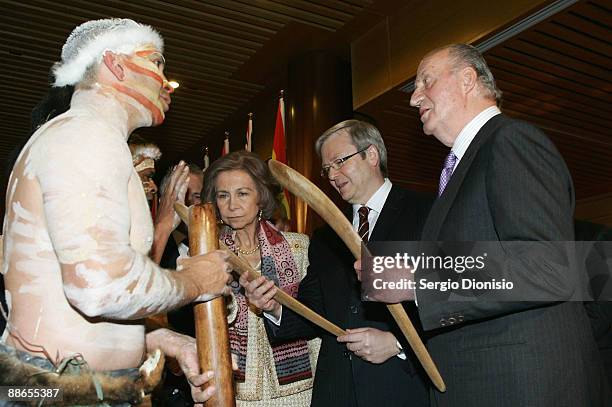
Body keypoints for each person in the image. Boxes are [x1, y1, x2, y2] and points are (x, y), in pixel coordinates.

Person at [1, 18, 233, 404]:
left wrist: (160, 338)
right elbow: (98, 285)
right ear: (116, 65)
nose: (164, 79)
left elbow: (67, 300)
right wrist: (196, 280)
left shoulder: (86, 135)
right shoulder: (85, 135)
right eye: (156, 62)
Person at [375, 43, 608, 406]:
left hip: (522, 386)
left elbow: (548, 266)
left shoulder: (510, 141)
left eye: (425, 81)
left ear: (468, 79)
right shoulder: (461, 167)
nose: (413, 98)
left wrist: (418, 282)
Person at [242, 120, 432, 406]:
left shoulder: (428, 212)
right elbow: (314, 309)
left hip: (402, 386)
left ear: (371, 155)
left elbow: (453, 296)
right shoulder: (326, 236)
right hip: (337, 390)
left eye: (339, 162)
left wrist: (397, 344)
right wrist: (274, 306)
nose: (332, 175)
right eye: (327, 168)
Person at [203, 150, 321, 406]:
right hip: (234, 391)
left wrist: (274, 307)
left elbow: (315, 317)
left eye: (242, 194)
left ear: (261, 198)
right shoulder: (208, 256)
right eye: (223, 195)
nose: (232, 205)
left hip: (298, 392)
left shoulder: (299, 249)